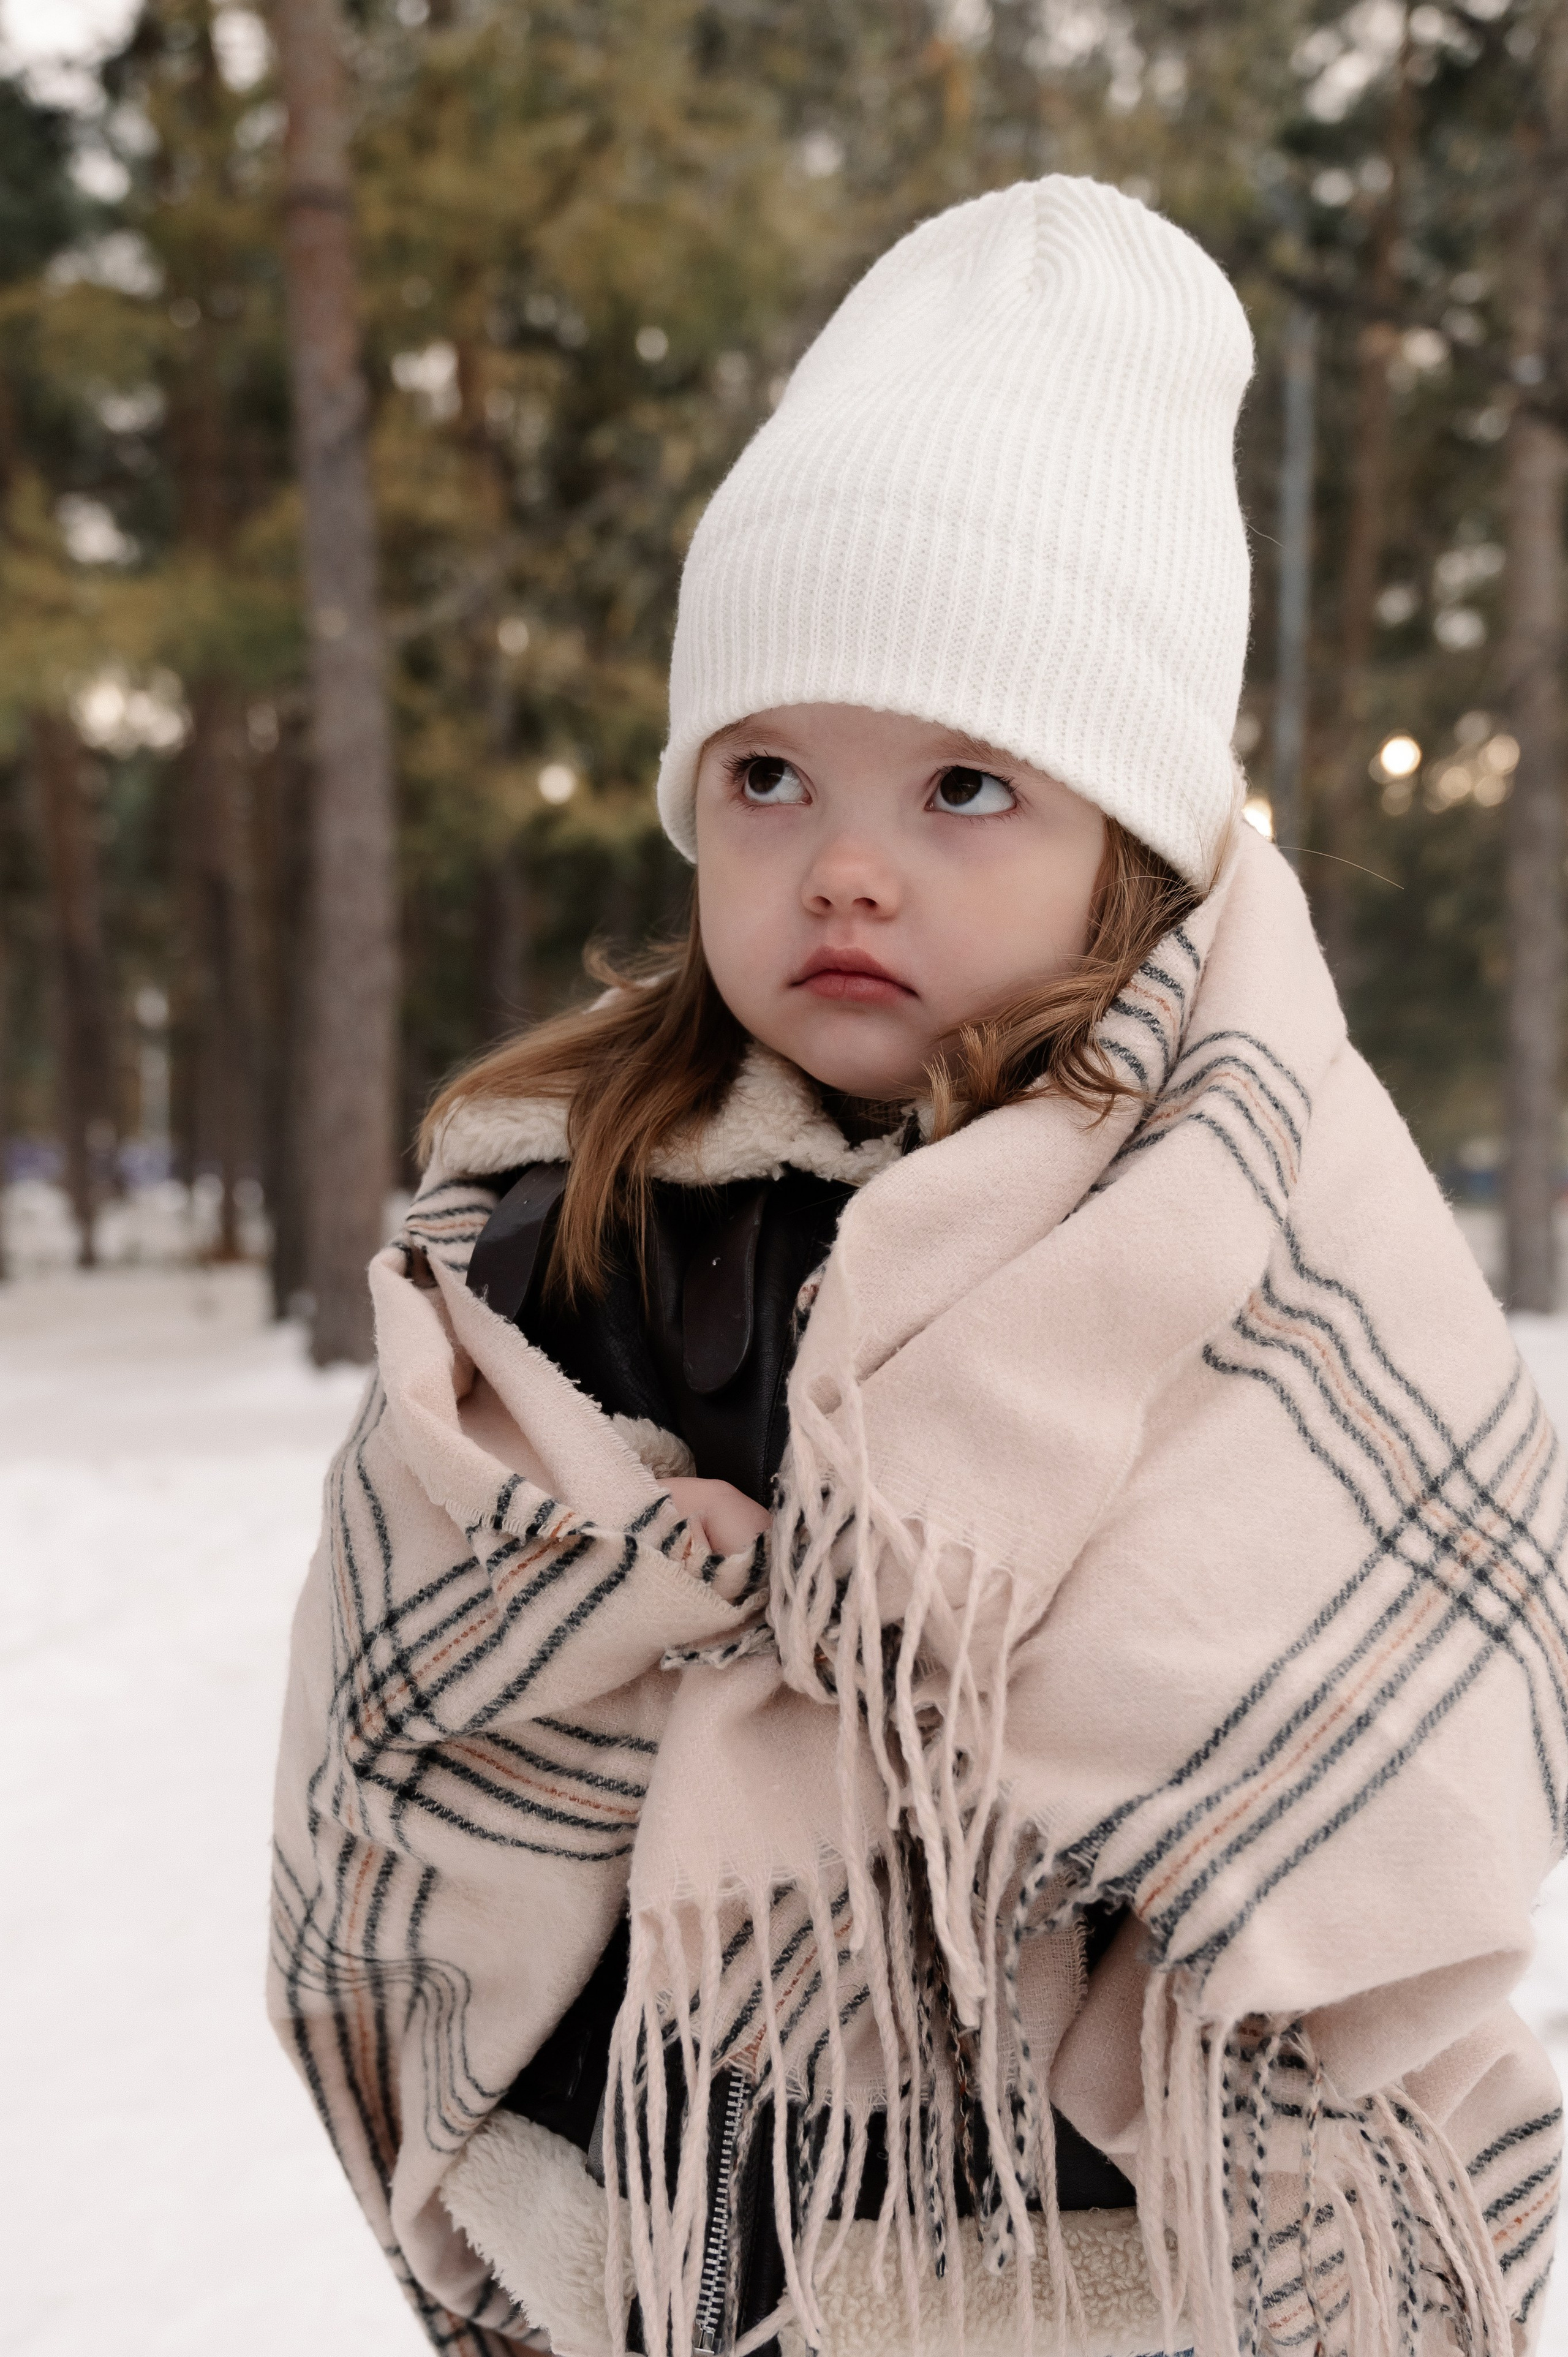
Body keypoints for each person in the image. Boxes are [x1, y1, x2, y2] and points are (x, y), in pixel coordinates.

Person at [270, 178, 1565, 2357]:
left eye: (965, 785)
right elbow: (437, 1627)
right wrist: (625, 1593)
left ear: (1126, 851)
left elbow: (1401, 1629)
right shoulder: (579, 1205)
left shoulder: (1251, 1221)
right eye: (769, 777)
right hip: (711, 2191)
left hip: (1106, 2224)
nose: (844, 864)